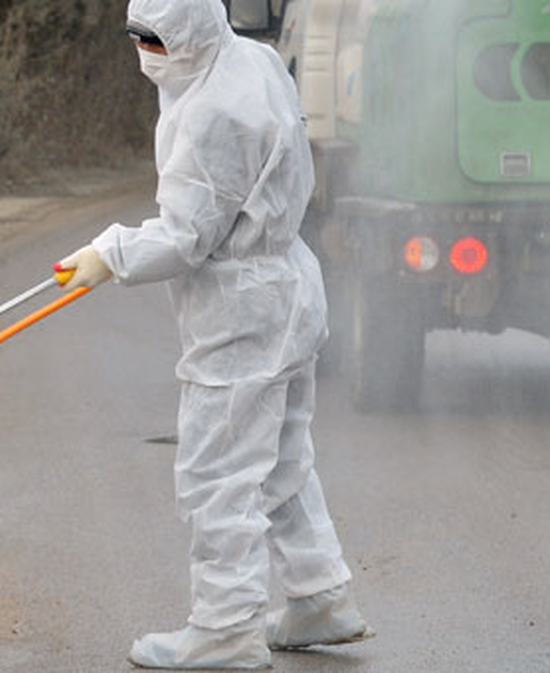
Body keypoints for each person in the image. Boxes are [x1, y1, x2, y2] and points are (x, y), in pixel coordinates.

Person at [55, 0, 372, 668]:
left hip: (242, 314)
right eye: (139, 37)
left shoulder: (213, 113)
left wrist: (109, 254)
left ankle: (226, 626)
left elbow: (186, 235)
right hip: (287, 288)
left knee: (217, 473)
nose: (147, 53)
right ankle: (319, 593)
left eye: (158, 39)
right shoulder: (249, 60)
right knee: (281, 460)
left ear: (192, 29)